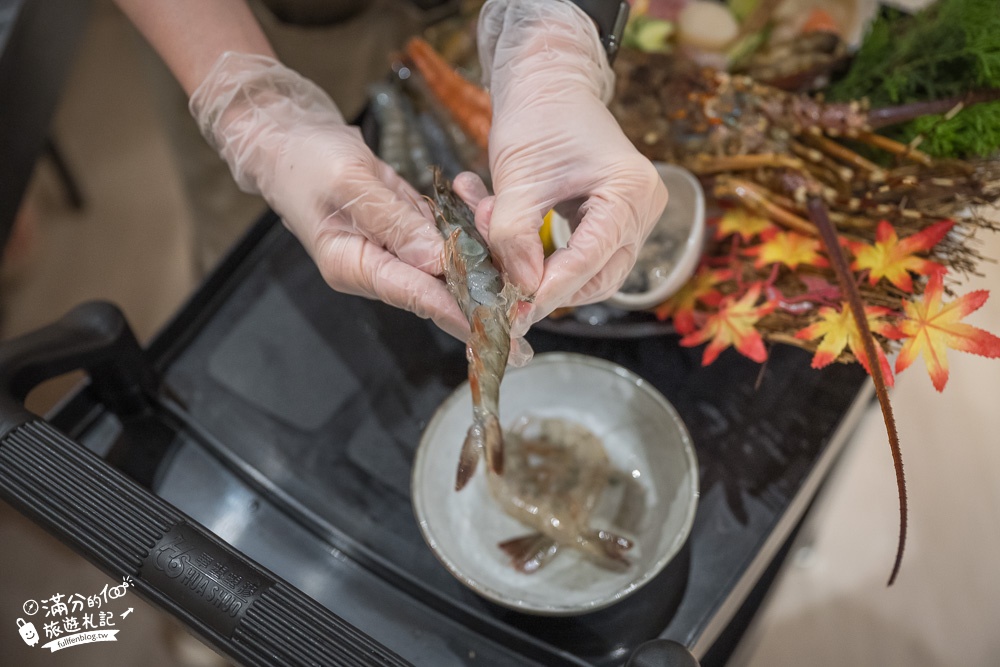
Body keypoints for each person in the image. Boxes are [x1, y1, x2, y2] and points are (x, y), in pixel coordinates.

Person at [113, 0, 668, 342]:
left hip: (458, 10)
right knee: (249, 264)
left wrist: (554, 39)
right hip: (242, 21)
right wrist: (254, 115)